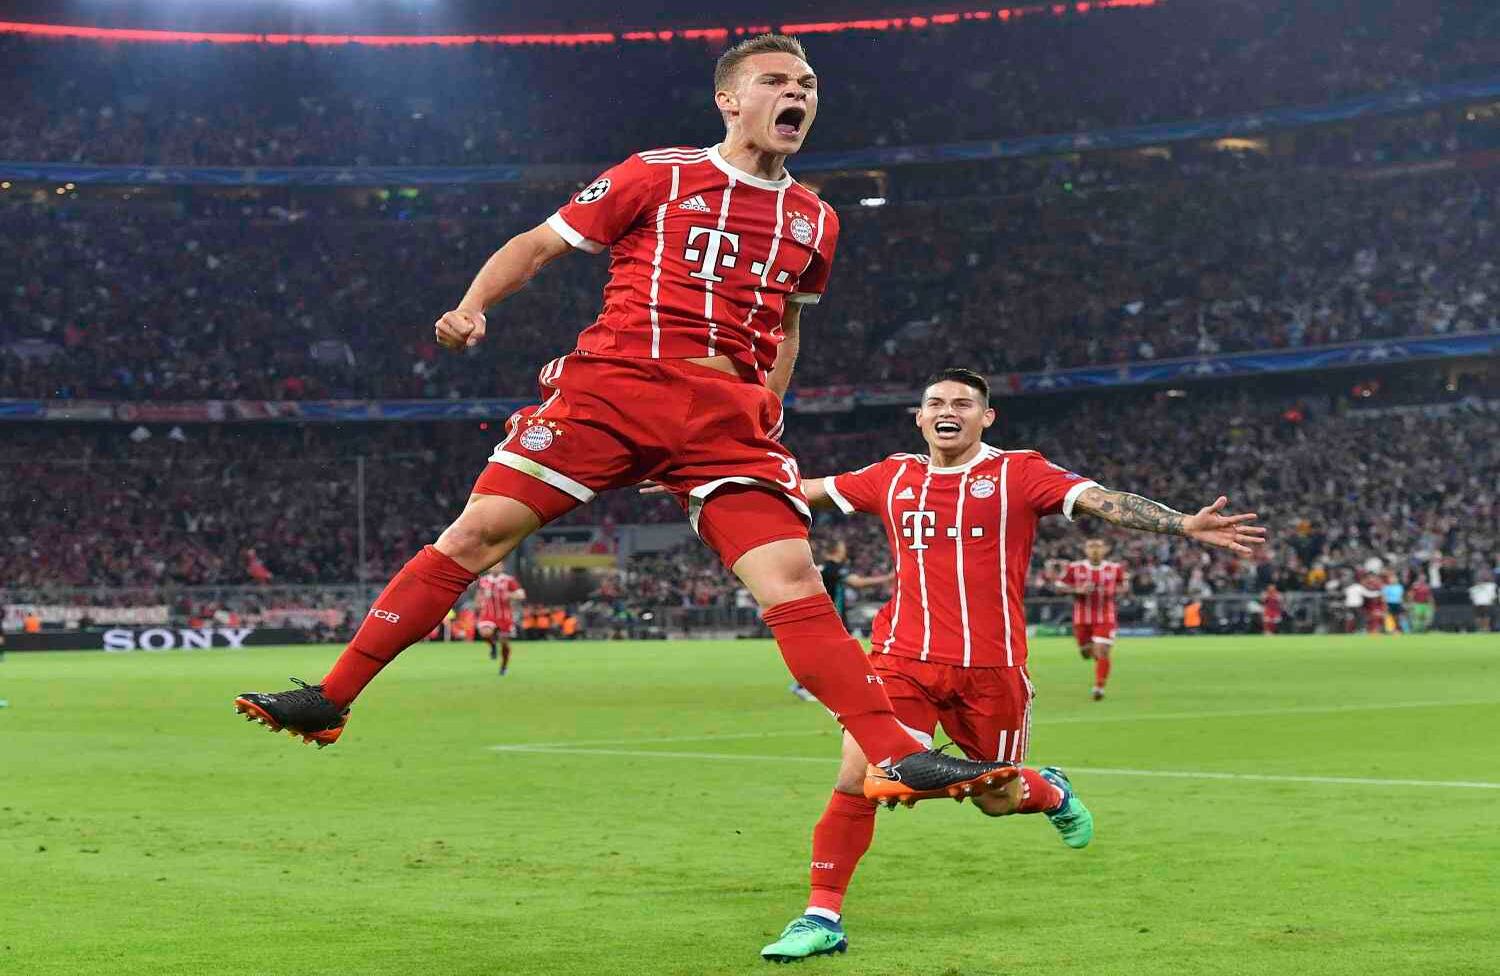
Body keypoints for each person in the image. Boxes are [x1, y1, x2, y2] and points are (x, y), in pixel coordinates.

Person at [233, 34, 1013, 805]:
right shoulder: (657, 174)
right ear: (730, 99)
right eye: (777, 80)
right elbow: (538, 245)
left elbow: (790, 322)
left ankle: (895, 752)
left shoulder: (815, 218)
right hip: (615, 389)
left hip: (726, 420)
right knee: (480, 532)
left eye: (807, 84)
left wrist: (769, 403)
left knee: (791, 580)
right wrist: (471, 308)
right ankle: (333, 697)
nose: (798, 95)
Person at [758, 368, 1267, 962]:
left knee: (996, 799)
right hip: (902, 659)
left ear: (986, 417)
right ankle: (821, 916)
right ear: (919, 417)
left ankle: (1049, 792)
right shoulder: (890, 475)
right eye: (936, 402)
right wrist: (707, 481)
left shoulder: (1019, 472)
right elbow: (799, 487)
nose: (948, 410)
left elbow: (1102, 501)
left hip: (992, 670)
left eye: (963, 403)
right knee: (862, 779)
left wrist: (1182, 522)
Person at [790, 539, 891, 702]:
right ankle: (804, 686)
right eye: (843, 547)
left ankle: (811, 685)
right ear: (837, 550)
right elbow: (857, 583)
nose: (845, 550)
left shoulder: (823, 567)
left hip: (823, 617)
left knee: (830, 654)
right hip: (832, 618)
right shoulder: (834, 568)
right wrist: (888, 577)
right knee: (833, 654)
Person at [1056, 538, 1128, 700]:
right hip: (1082, 619)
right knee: (1087, 653)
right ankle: (1095, 658)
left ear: (1106, 549)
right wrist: (1077, 590)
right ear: (1085, 549)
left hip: (1105, 617)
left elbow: (1124, 586)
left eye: (1098, 546)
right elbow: (1059, 586)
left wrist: (1117, 590)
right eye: (1091, 546)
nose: (1095, 550)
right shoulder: (1075, 568)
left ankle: (1099, 688)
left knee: (1102, 650)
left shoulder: (1115, 568)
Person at [476, 568, 527, 675]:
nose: (495, 568)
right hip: (488, 614)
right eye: (493, 566)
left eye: (498, 566)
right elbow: (479, 595)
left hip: (504, 616)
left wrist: (510, 595)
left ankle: (504, 666)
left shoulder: (508, 580)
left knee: (504, 643)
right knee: (485, 633)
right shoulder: (483, 580)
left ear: (502, 567)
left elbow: (521, 594)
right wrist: (479, 602)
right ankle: (493, 645)